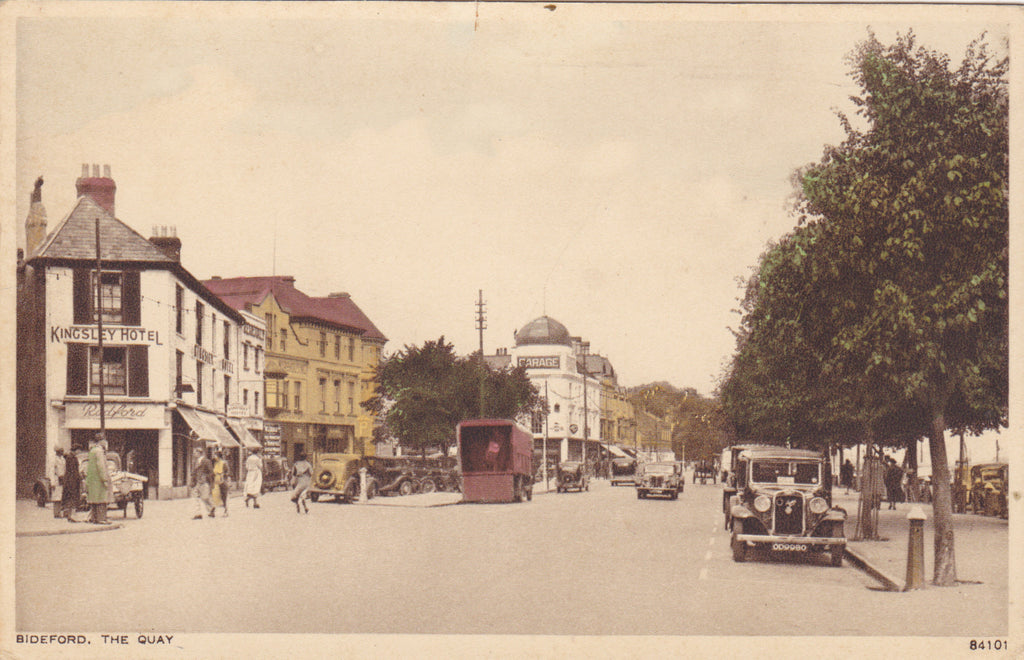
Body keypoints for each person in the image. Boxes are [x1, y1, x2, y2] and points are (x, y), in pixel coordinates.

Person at [85, 434, 111, 524]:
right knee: (101, 500)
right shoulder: (99, 452)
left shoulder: (92, 451)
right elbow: (101, 466)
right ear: (101, 441)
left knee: (94, 500)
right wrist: (105, 479)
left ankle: (94, 518)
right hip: (99, 480)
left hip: (92, 479)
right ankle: (101, 519)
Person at [191, 447, 215, 519]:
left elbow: (211, 472)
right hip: (197, 482)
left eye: (195, 453)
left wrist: (206, 478)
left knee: (205, 497)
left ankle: (211, 508)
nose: (194, 454)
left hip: (204, 482)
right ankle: (198, 514)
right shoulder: (195, 462)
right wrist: (192, 480)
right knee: (195, 498)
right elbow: (194, 472)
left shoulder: (206, 461)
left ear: (199, 453)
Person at [60, 447, 82, 523]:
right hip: (72, 481)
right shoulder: (72, 458)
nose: (79, 452)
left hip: (69, 480)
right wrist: (79, 477)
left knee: (69, 498)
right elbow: (74, 470)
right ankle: (71, 516)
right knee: (72, 498)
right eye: (79, 450)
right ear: (76, 450)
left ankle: (69, 515)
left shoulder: (70, 457)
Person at [212, 449, 230, 517]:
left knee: (223, 496)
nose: (214, 457)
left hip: (222, 481)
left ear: (218, 456)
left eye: (215, 455)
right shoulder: (214, 463)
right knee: (215, 496)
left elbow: (227, 471)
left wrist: (223, 475)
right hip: (215, 481)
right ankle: (212, 511)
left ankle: (225, 511)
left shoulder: (224, 463)